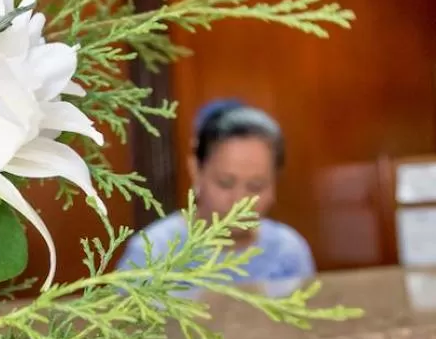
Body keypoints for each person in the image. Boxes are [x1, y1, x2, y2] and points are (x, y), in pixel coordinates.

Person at [118, 99, 316, 283]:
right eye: (225, 183)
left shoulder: (289, 251)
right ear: (196, 170)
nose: (239, 201)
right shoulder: (154, 251)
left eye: (255, 186)